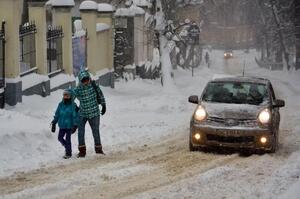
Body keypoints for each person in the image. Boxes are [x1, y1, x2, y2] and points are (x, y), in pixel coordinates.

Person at [72, 70, 106, 158]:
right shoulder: (78, 89)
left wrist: (103, 105)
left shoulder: (94, 85)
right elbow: (70, 99)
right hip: (83, 113)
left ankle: (98, 149)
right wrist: (75, 106)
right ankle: (82, 151)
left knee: (96, 131)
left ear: (89, 78)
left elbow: (100, 94)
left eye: (87, 79)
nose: (86, 82)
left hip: (94, 113)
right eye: (83, 80)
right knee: (81, 132)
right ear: (80, 80)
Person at [51, 89, 79, 159]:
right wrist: (54, 122)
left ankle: (68, 153)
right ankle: (67, 147)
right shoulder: (60, 104)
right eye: (64, 95)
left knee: (68, 139)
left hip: (70, 126)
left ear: (71, 96)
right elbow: (57, 114)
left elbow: (75, 116)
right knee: (60, 138)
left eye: (67, 95)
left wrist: (75, 125)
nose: (65, 96)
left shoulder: (73, 105)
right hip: (62, 125)